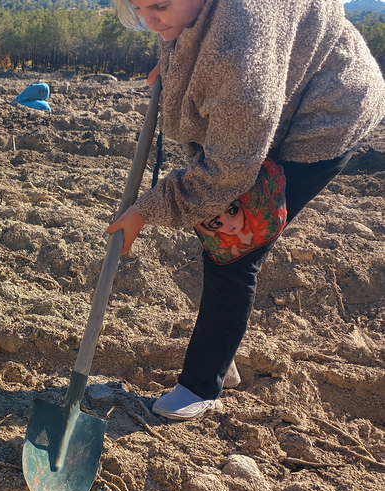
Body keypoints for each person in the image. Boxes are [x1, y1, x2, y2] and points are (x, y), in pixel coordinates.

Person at [108, 0, 385, 420]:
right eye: (138, 6)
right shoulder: (200, 17)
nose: (149, 19)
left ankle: (202, 383)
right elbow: (201, 42)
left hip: (327, 112)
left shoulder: (241, 41)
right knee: (221, 235)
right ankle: (221, 353)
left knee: (236, 245)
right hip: (276, 93)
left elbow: (229, 168)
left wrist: (147, 209)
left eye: (160, 5)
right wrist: (181, 65)